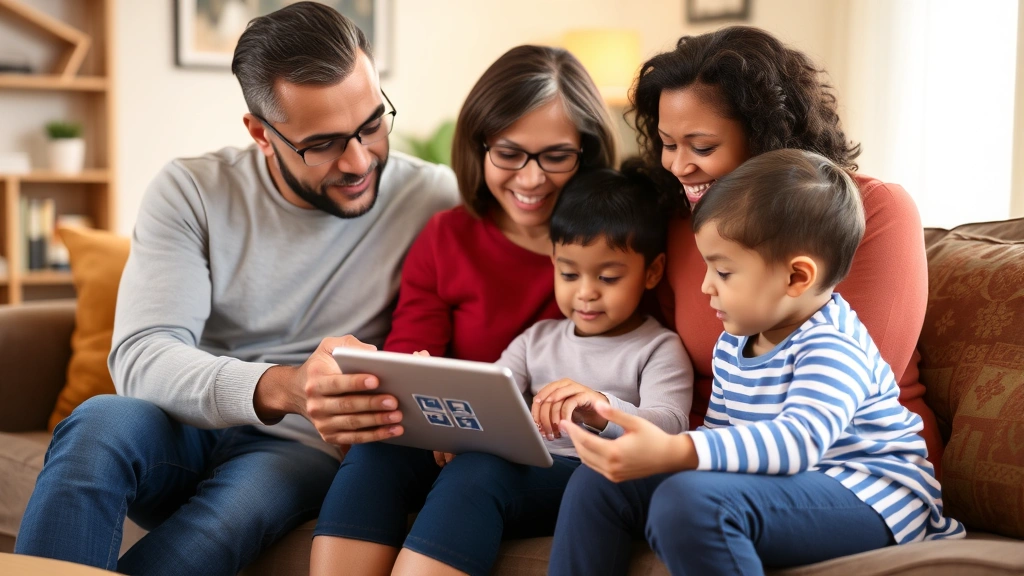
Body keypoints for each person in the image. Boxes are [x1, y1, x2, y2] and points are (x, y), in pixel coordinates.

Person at [14, 4, 458, 575]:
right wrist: (284, 386)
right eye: (322, 143)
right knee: (97, 426)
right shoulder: (192, 190)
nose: (358, 160)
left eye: (372, 124)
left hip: (302, 447)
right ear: (260, 134)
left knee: (229, 516)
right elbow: (142, 356)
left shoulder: (434, 198)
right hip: (184, 426)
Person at [551, 149, 964, 576]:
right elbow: (720, 440)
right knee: (598, 481)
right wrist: (617, 426)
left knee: (691, 503)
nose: (706, 286)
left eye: (724, 272)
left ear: (796, 277)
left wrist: (675, 451)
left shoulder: (834, 345)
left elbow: (799, 442)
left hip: (868, 495)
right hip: (779, 486)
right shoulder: (733, 343)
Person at [309, 44, 619, 576]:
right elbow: (409, 359)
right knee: (377, 454)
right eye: (509, 153)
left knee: (478, 470)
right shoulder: (447, 237)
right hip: (454, 446)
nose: (531, 178)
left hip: (564, 456)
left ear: (587, 154)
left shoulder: (621, 246)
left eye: (556, 156)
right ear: (480, 148)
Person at [311, 164, 693, 576]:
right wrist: (442, 412)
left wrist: (600, 407)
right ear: (553, 261)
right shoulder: (537, 338)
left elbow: (671, 423)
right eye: (569, 273)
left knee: (479, 472)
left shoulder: (659, 347)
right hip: (516, 461)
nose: (585, 292)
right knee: (380, 450)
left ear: (651, 272)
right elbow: (488, 395)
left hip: (580, 477)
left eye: (608, 276)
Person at [636, 25, 945, 472]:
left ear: (765, 137)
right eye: (667, 144)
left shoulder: (873, 210)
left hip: (849, 466)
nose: (679, 166)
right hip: (709, 451)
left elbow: (838, 402)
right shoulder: (685, 222)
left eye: (702, 147)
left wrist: (683, 457)